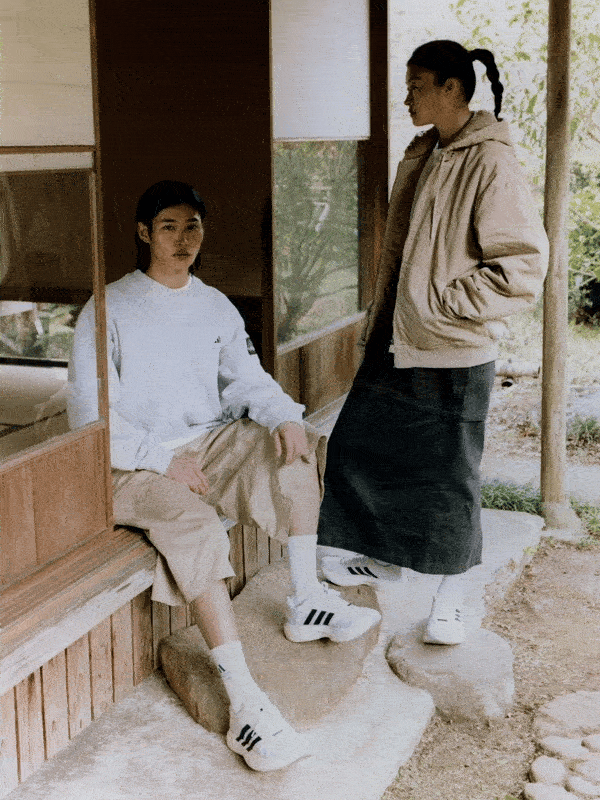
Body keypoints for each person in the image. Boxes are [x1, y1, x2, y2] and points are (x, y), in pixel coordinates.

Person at [66, 180, 380, 772]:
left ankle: (307, 599)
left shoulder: (212, 304)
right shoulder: (107, 309)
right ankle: (245, 705)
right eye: (168, 228)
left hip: (204, 443)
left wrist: (285, 416)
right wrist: (162, 461)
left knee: (296, 449)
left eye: (192, 227)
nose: (183, 241)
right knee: (196, 522)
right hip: (128, 462)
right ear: (143, 234)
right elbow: (91, 418)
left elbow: (247, 378)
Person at [317, 40, 549, 645]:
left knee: (450, 479)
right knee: (357, 446)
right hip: (397, 337)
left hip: (451, 347)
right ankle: (385, 556)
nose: (407, 97)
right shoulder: (426, 152)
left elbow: (522, 267)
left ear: (452, 89)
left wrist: (445, 305)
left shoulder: (491, 160)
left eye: (418, 85)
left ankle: (452, 600)